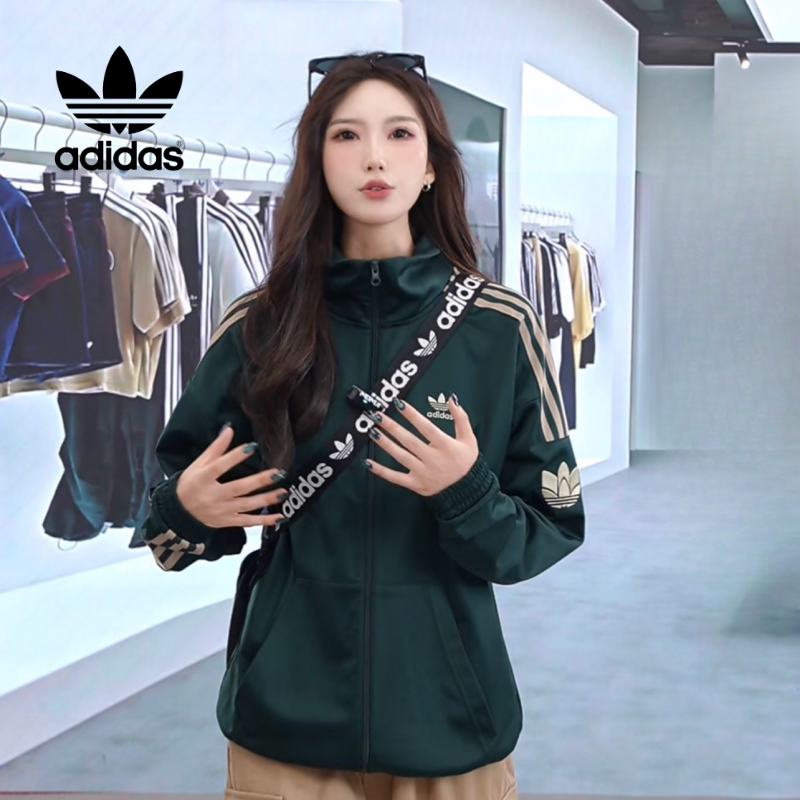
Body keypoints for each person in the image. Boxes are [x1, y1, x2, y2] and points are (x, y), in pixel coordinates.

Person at [141, 51, 586, 800]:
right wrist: (186, 509)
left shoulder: (499, 326)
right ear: (318, 162)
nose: (374, 157)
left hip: (451, 721)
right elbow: (168, 533)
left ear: (433, 165)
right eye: (346, 135)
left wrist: (466, 494)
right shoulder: (258, 326)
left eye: (400, 134)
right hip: (285, 723)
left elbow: (550, 528)